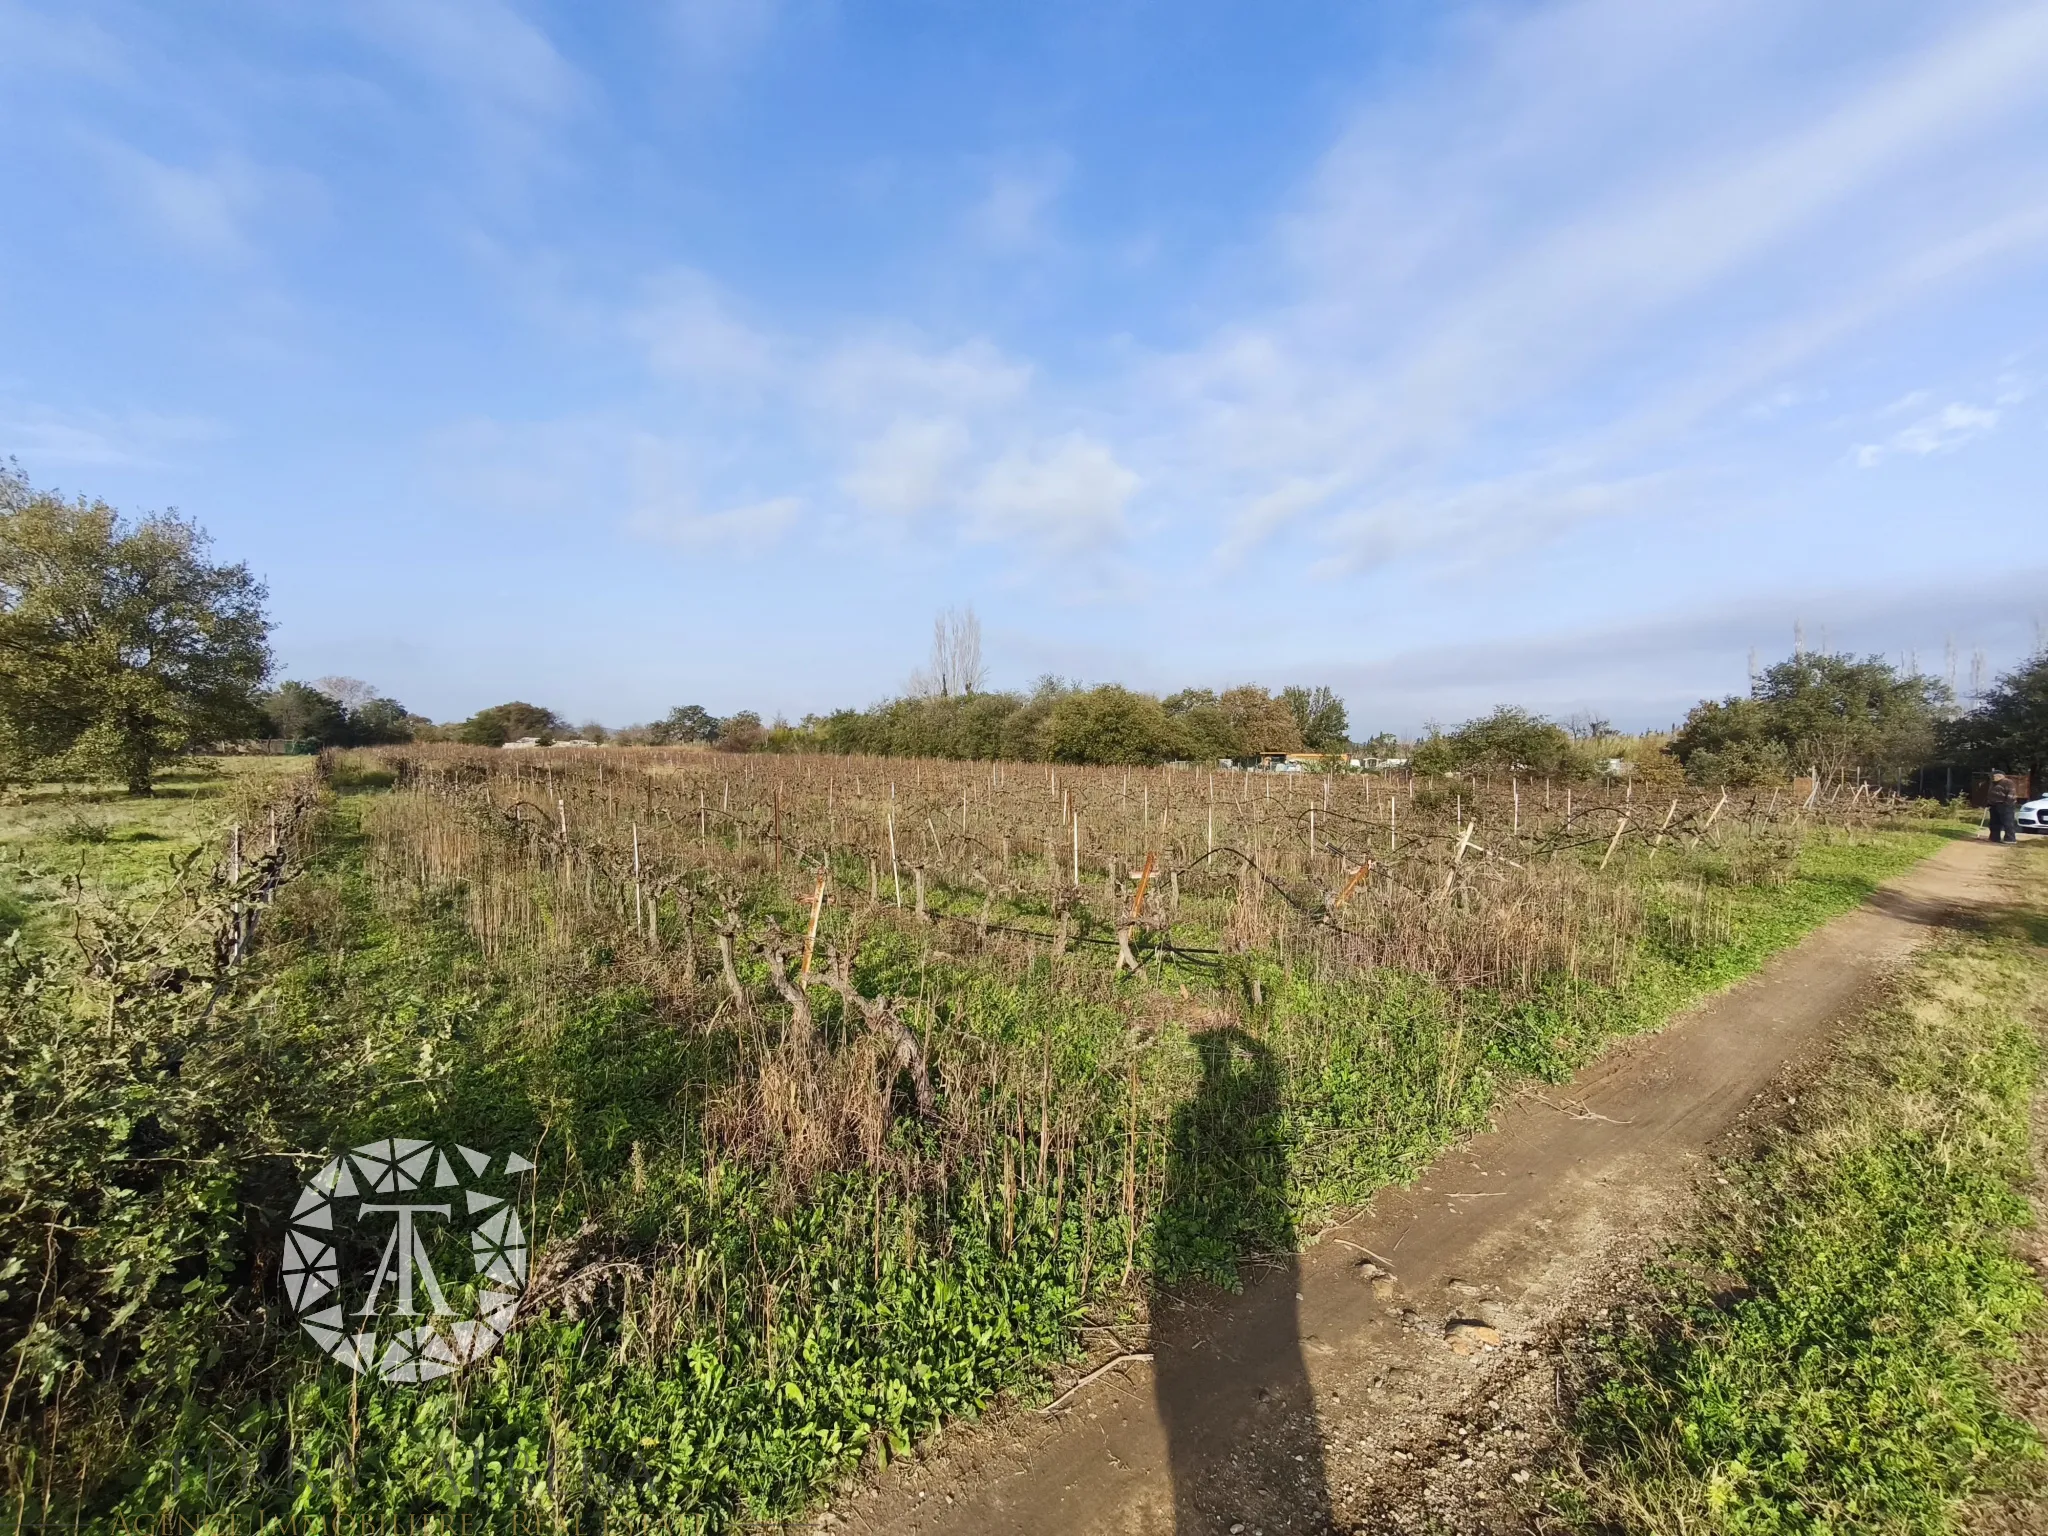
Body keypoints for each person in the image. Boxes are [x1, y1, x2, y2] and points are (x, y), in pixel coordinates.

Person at [1987, 773, 2020, 843]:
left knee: (2007, 822)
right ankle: (1994, 838)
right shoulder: (1993, 783)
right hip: (1994, 804)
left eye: (1995, 776)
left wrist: (2007, 803)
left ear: (2001, 776)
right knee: (1994, 822)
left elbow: (2011, 793)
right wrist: (1989, 802)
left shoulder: (2008, 782)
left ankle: (2010, 839)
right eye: (1992, 776)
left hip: (2005, 805)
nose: (1993, 777)